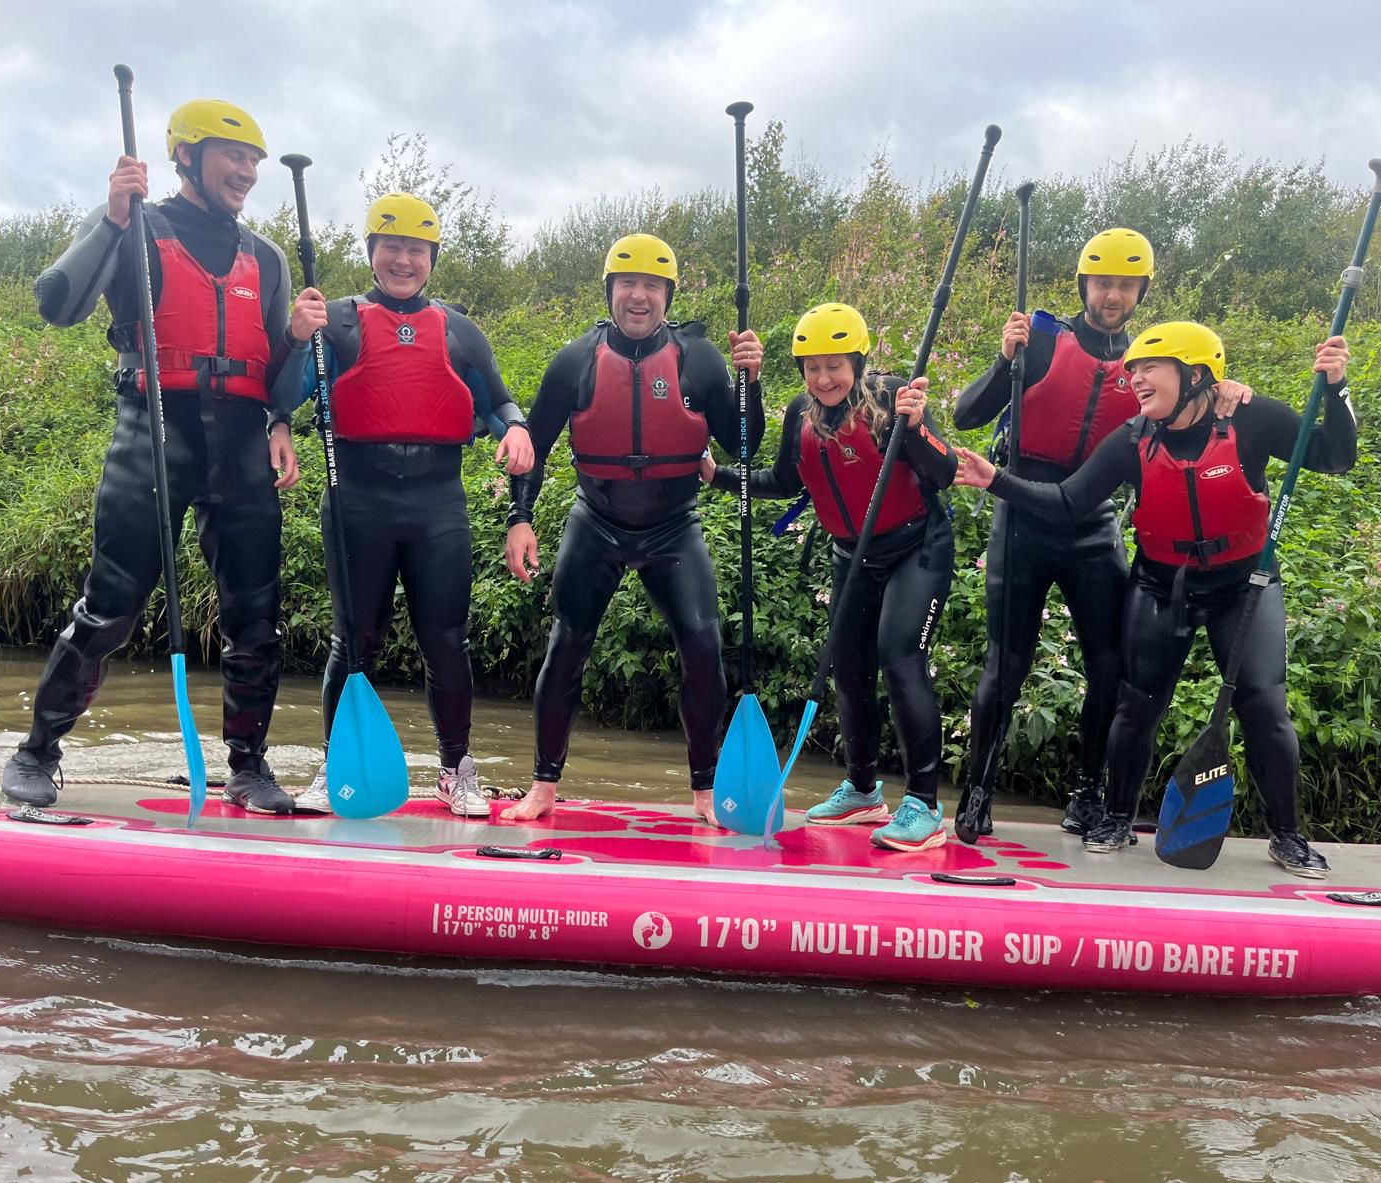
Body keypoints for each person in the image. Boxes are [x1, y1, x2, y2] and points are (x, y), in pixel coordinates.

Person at [952, 322, 1356, 877]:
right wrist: (995, 478)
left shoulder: (1255, 419)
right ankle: (1116, 817)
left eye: (1149, 368)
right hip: (1160, 586)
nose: (1133, 377)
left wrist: (1334, 389)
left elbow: (1335, 457)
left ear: (1193, 375)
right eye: (1133, 368)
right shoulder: (1134, 437)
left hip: (1244, 587)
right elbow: (1069, 502)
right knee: (1136, 704)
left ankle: (1286, 834)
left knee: (1262, 704)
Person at [2, 98, 299, 813]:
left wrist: (285, 414)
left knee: (255, 615)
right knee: (110, 609)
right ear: (189, 156)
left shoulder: (266, 257)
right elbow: (56, 302)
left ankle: (249, 767)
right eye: (235, 156)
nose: (248, 171)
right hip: (155, 431)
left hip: (240, 439)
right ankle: (36, 752)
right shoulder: (136, 227)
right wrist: (110, 216)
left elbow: (280, 361)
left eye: (256, 160)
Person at [952, 229, 1251, 839]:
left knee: (1109, 667)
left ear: (1140, 290)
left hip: (1093, 523)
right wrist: (1005, 360)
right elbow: (965, 415)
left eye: (1125, 285)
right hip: (1022, 514)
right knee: (1005, 664)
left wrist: (1229, 390)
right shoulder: (1041, 340)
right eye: (1102, 282)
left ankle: (1088, 794)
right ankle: (978, 790)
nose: (1112, 295)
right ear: (1084, 284)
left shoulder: (1154, 365)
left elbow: (1195, 411)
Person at [270, 193, 534, 817]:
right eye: (391, 248)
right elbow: (282, 393)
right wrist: (291, 349)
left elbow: (499, 402)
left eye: (416, 250)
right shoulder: (335, 321)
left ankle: (454, 771)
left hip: (437, 501)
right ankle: (334, 766)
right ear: (372, 254)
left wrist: (517, 429)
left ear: (432, 259)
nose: (403, 261)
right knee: (353, 640)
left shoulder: (460, 329)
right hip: (356, 496)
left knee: (446, 640)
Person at [501, 234, 764, 825]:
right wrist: (520, 519)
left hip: (674, 525)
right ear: (611, 292)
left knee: (702, 645)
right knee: (566, 644)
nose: (638, 296)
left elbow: (742, 440)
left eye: (651, 286)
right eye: (628, 284)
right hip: (596, 520)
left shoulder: (700, 360)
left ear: (667, 295)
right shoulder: (575, 360)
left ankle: (703, 791)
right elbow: (535, 447)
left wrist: (752, 382)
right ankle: (543, 786)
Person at [703, 303, 959, 850]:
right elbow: (780, 479)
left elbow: (945, 473)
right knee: (849, 667)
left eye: (835, 366)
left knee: (899, 654)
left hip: (917, 547)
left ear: (859, 363)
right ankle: (864, 791)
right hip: (853, 555)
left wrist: (914, 429)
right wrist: (718, 474)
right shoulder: (801, 414)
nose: (823, 378)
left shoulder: (894, 399)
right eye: (813, 367)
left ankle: (925, 804)